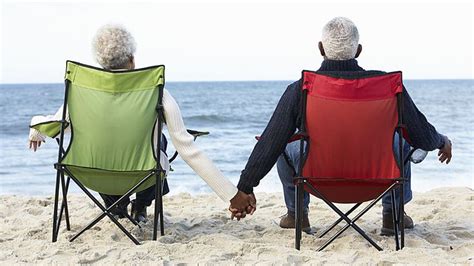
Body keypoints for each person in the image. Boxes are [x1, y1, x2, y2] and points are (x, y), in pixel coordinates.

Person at [229, 17, 452, 234]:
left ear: (320, 48)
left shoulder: (301, 89)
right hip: (378, 179)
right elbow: (422, 135)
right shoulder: (388, 87)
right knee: (401, 139)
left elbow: (271, 142)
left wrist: (245, 188)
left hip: (317, 180)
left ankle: (297, 215)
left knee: (283, 144)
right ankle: (393, 216)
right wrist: (442, 141)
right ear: (358, 50)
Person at [28, 24, 255, 223]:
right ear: (131, 59)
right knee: (160, 142)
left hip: (90, 175)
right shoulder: (157, 93)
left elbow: (54, 122)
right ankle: (141, 204)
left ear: (100, 61)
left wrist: (35, 128)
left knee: (102, 146)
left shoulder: (81, 94)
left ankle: (115, 205)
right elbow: (188, 150)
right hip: (143, 176)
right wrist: (232, 195)